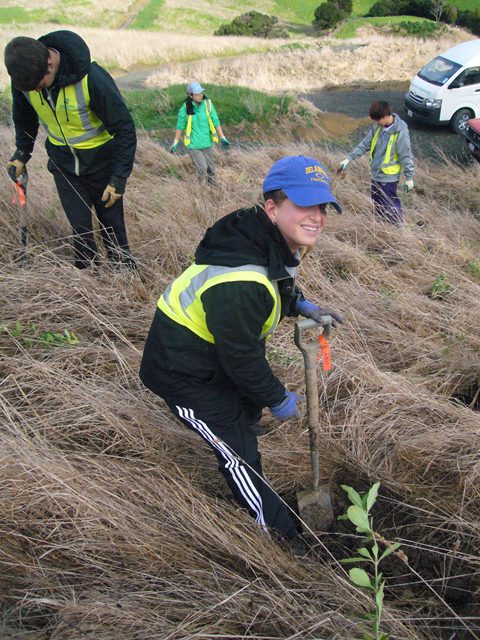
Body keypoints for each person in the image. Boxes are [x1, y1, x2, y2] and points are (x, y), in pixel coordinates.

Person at [139, 155, 343, 554]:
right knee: (238, 454)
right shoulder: (239, 282)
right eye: (304, 205)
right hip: (183, 373)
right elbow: (241, 360)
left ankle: (244, 420)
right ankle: (280, 535)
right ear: (272, 208)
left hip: (213, 353)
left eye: (322, 206)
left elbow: (276, 276)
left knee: (247, 403)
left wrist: (298, 303)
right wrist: (277, 397)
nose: (317, 216)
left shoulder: (265, 237)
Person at [4, 30, 137, 269]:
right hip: (63, 164)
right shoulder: (26, 80)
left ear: (50, 63)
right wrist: (22, 153)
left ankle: (124, 274)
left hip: (102, 163)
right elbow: (24, 119)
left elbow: (125, 128)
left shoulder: (91, 78)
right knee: (80, 228)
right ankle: (88, 278)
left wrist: (119, 177)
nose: (36, 92)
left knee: (112, 226)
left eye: (39, 85)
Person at [338, 101, 414, 225]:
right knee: (377, 202)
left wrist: (409, 177)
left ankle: (397, 228)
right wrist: (349, 158)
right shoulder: (377, 128)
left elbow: (405, 155)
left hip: (389, 177)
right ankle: (381, 226)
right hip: (376, 174)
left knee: (390, 205)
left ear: (386, 116)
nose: (376, 122)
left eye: (378, 120)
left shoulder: (400, 131)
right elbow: (365, 144)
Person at [170, 81, 229, 185]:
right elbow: (180, 126)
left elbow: (215, 121)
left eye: (201, 93)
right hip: (194, 146)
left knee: (211, 169)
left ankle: (214, 188)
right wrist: (175, 142)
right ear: (191, 95)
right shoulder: (185, 108)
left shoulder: (208, 105)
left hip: (207, 143)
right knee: (202, 168)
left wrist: (222, 137)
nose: (200, 95)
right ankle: (198, 188)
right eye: (197, 94)